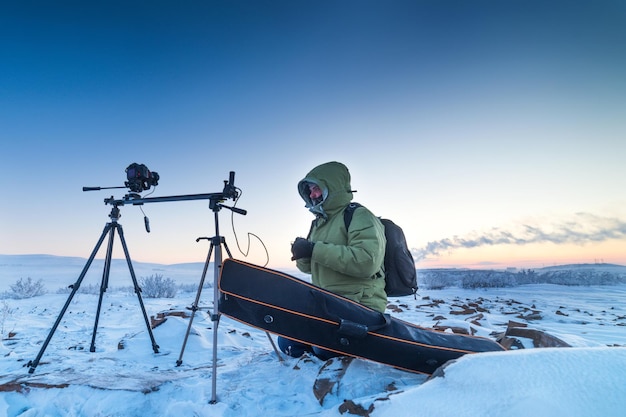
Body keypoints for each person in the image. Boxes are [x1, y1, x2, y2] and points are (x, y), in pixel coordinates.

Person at [278, 161, 387, 359]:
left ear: (333, 187)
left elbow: (366, 262)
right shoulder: (319, 223)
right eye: (310, 190)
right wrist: (303, 255)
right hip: (329, 304)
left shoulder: (359, 215)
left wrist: (315, 249)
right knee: (286, 342)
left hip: (360, 305)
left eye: (317, 188)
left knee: (323, 350)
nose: (312, 195)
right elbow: (310, 268)